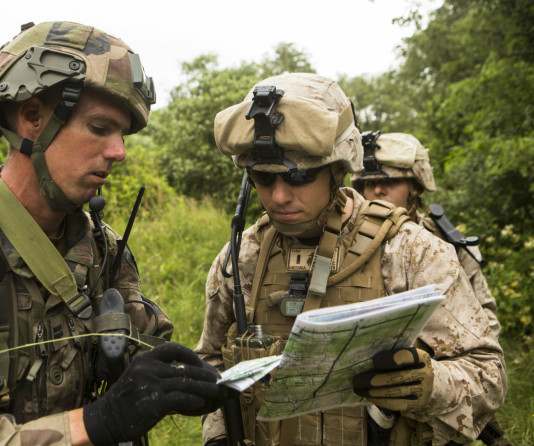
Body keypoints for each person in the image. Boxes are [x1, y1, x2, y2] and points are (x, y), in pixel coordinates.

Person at [0, 21, 221, 445]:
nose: (119, 152)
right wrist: (91, 425)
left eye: (122, 135)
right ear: (32, 117)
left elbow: (137, 345)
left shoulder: (102, 249)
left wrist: (173, 378)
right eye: (99, 128)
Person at [196, 73, 506, 445]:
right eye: (262, 178)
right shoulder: (242, 258)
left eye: (299, 177)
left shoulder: (412, 252)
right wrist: (216, 436)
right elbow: (213, 366)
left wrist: (430, 386)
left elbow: (489, 375)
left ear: (339, 169)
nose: (278, 196)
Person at [350, 132, 501, 338]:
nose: (378, 190)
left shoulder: (447, 245)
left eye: (391, 181)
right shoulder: (343, 242)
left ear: (417, 187)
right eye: (369, 183)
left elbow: (486, 322)